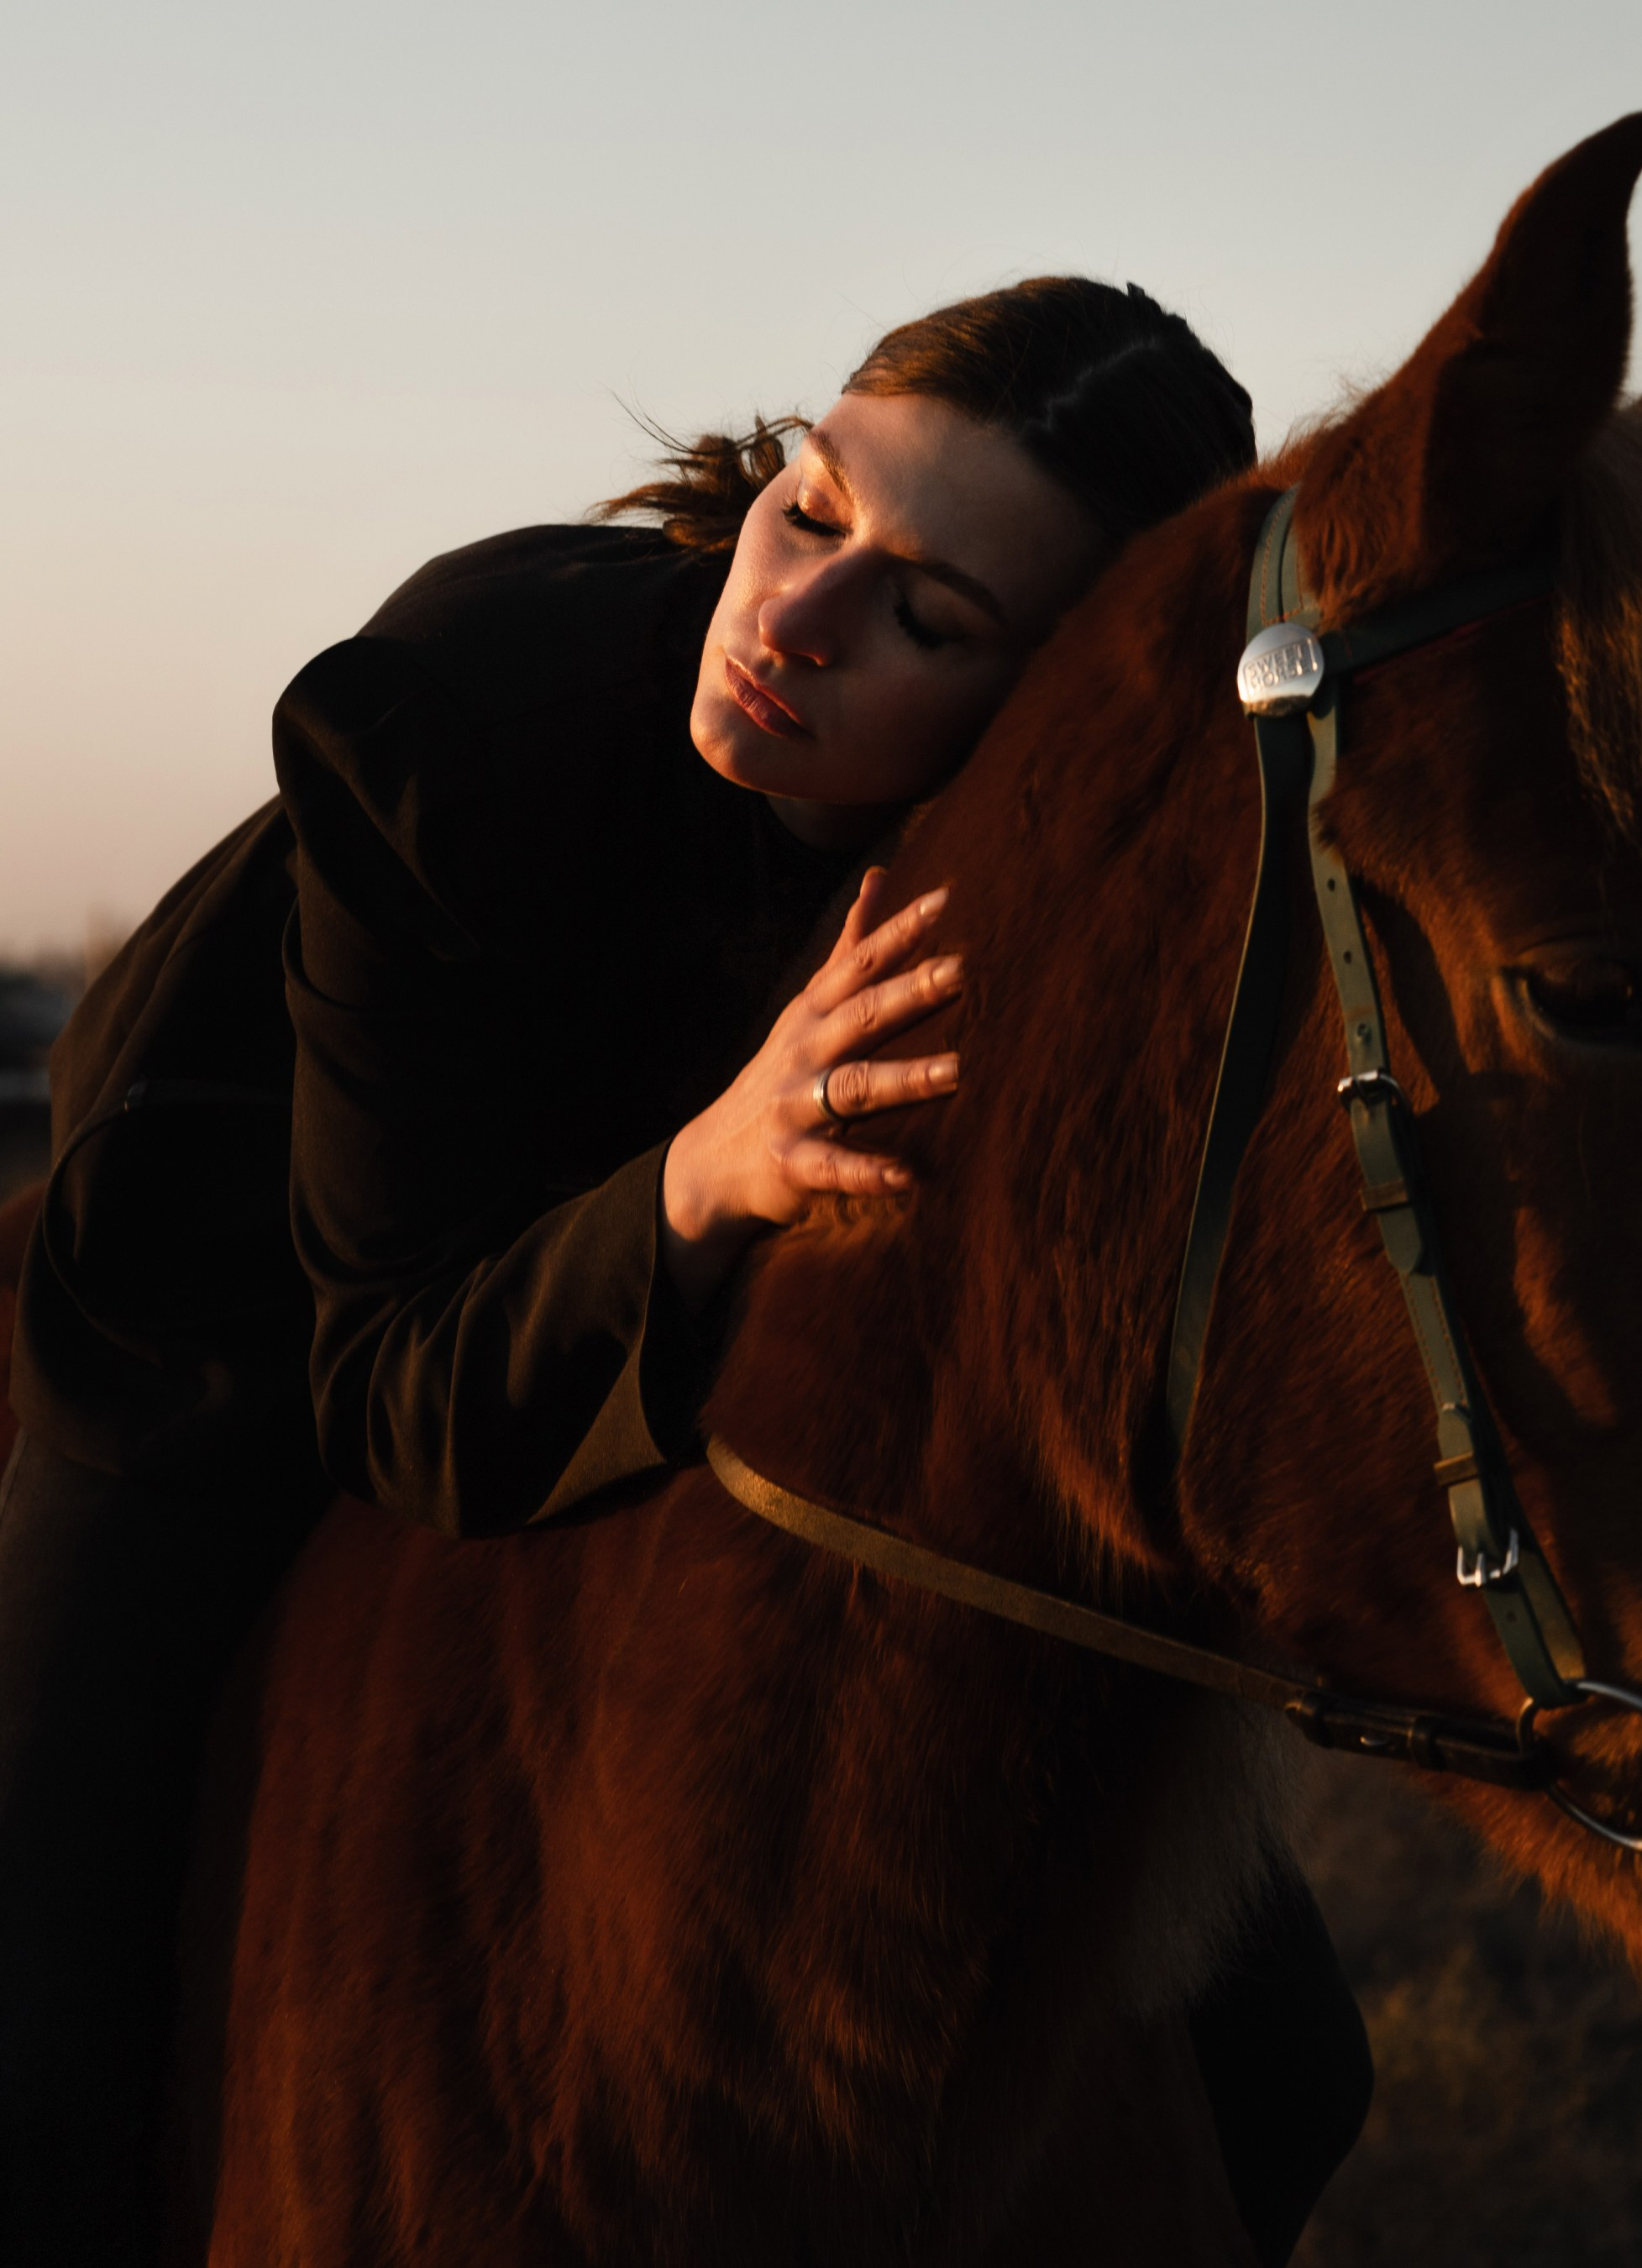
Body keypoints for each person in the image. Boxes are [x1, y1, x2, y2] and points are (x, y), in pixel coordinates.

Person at [0, 276, 1369, 2265]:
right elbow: (394, 1382)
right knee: (32, 2056)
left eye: (925, 615)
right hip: (246, 1308)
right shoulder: (458, 710)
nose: (794, 621)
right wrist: (703, 1174)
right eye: (810, 508)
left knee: (1289, 2078)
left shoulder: (1042, 847)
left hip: (667, 1283)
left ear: (1043, 702)